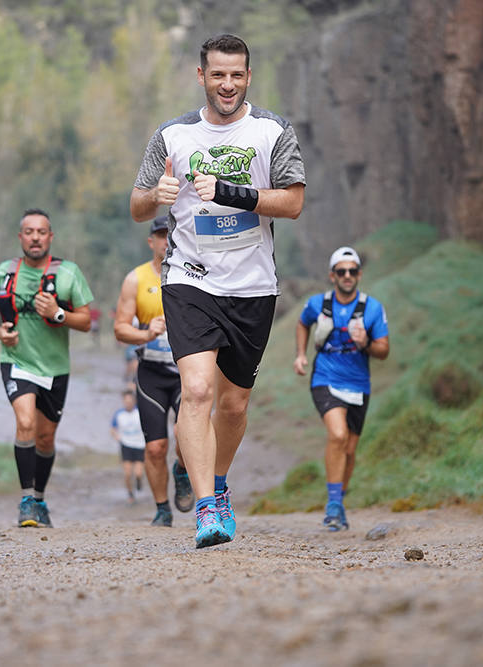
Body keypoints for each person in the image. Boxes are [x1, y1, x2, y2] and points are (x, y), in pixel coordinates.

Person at [130, 34, 306, 548]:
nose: (226, 84)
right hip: (189, 277)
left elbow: (292, 203)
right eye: (217, 74)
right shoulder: (172, 136)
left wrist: (230, 192)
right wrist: (154, 196)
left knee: (233, 404)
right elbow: (139, 205)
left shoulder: (272, 131)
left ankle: (219, 483)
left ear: (248, 77)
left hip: (253, 284)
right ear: (201, 76)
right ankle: (207, 508)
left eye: (236, 75)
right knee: (199, 391)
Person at [0, 208, 93, 528]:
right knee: (26, 422)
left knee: (45, 439)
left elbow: (86, 321)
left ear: (50, 237)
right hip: (16, 361)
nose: (35, 238)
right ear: (20, 237)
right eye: (29, 232)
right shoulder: (6, 271)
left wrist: (59, 313)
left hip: (55, 367)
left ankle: (40, 499)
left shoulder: (68, 273)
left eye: (41, 232)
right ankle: (27, 500)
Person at [293, 247, 390, 531]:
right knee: (337, 434)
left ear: (359, 274)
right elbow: (302, 323)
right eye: (341, 271)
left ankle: (339, 503)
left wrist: (366, 344)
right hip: (325, 379)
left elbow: (384, 350)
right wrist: (301, 354)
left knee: (349, 448)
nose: (347, 276)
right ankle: (333, 506)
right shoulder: (317, 304)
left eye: (352, 271)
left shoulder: (372, 308)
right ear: (332, 276)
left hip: (359, 384)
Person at [112, 215, 193, 527]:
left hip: (187, 371)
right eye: (161, 235)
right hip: (152, 374)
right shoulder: (136, 279)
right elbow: (119, 329)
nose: (166, 240)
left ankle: (183, 470)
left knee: (186, 435)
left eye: (171, 233)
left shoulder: (194, 274)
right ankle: (162, 508)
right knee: (156, 447)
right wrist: (146, 334)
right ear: (151, 242)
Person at [110, 390, 146, 504]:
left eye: (130, 401)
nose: (128, 403)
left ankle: (139, 481)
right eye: (126, 401)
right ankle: (130, 494)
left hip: (140, 445)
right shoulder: (119, 414)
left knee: (138, 473)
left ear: (134, 401)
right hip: (126, 445)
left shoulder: (140, 412)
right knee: (127, 473)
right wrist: (116, 436)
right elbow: (113, 428)